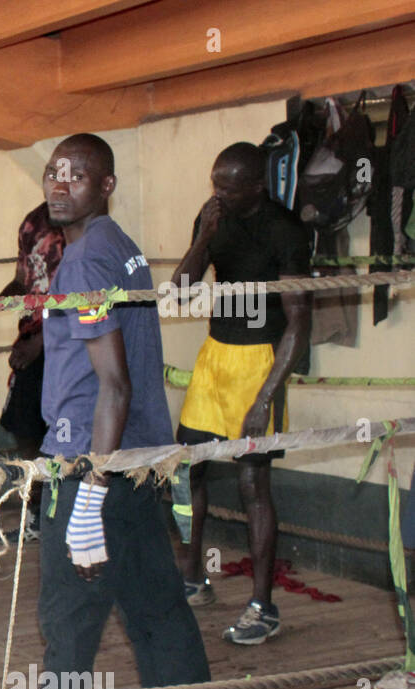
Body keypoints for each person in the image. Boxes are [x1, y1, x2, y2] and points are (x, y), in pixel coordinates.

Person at [0, 134, 228, 689]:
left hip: (95, 463)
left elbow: (112, 386)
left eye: (77, 176)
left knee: (69, 631)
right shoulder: (122, 245)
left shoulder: (82, 261)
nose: (60, 184)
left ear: (105, 184)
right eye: (54, 173)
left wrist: (88, 496)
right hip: (141, 459)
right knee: (159, 616)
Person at [172, 142, 312, 645]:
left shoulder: (286, 230)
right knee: (188, 469)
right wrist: (204, 236)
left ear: (256, 186)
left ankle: (262, 606)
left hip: (259, 362)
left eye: (228, 188)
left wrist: (266, 396)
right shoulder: (211, 218)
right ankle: (192, 578)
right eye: (214, 185)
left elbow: (299, 323)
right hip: (215, 357)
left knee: (254, 485)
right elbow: (181, 289)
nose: (218, 195)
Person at [0, 203, 66, 541]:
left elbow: (76, 294)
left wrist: (41, 341)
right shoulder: (31, 224)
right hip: (33, 335)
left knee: (55, 432)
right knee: (26, 429)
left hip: (62, 342)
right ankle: (39, 516)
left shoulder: (74, 224)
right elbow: (22, 281)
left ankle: (49, 517)